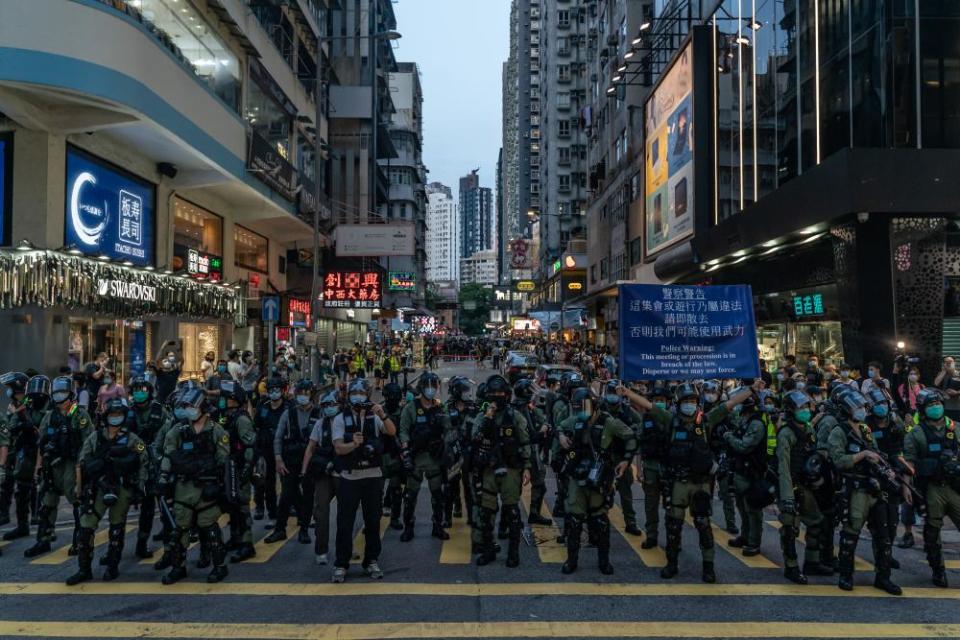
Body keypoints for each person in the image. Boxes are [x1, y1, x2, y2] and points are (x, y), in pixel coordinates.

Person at [619, 382, 754, 583]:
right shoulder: (670, 420)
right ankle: (671, 564)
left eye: (692, 401)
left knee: (703, 525)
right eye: (686, 401)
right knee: (673, 526)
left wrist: (752, 390)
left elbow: (730, 404)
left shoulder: (705, 421)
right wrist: (627, 392)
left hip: (700, 484)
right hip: (678, 483)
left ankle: (708, 567)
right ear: (679, 403)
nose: (689, 405)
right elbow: (648, 406)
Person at [826, 389, 902, 595]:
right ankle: (846, 575)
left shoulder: (866, 430)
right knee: (852, 531)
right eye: (857, 407)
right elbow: (839, 461)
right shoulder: (838, 432)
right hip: (855, 487)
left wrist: (886, 468)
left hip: (874, 487)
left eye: (862, 407)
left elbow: (876, 453)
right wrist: (863, 454)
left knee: (883, 534)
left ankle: (883, 577)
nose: (861, 410)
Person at [557, 386, 636, 575]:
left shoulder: (608, 422)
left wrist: (626, 461)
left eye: (584, 406)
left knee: (600, 520)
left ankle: (604, 561)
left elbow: (631, 437)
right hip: (578, 476)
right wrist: (560, 436)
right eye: (577, 407)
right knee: (575, 520)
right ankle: (572, 560)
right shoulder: (576, 420)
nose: (580, 411)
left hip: (599, 478)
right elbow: (559, 426)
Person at [68, 397, 148, 584]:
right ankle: (84, 569)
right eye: (112, 414)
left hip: (121, 487)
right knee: (85, 528)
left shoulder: (131, 439)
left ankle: (112, 566)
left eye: (119, 414)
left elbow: (143, 462)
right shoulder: (95, 437)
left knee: (116, 529)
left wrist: (140, 487)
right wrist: (79, 489)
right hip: (98, 488)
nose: (115, 418)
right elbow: (81, 463)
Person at [158, 388, 230, 584]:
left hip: (207, 488)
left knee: (210, 528)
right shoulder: (178, 430)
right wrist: (163, 480)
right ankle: (178, 567)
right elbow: (168, 455)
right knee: (179, 529)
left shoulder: (216, 430)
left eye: (192, 406)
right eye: (186, 406)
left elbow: (224, 460)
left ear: (203, 408)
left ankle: (219, 566)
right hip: (184, 487)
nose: (188, 410)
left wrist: (221, 485)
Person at [330, 378, 396, 582]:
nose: (358, 397)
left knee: (373, 522)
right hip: (350, 478)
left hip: (373, 477)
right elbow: (338, 448)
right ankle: (341, 564)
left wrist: (382, 414)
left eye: (361, 393)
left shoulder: (374, 417)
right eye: (354, 393)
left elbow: (391, 431)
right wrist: (353, 444)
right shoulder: (341, 418)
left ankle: (372, 560)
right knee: (345, 522)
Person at [22, 376, 93, 559]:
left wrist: (83, 467)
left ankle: (80, 539)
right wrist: (39, 467)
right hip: (52, 464)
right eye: (57, 393)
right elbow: (42, 443)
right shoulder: (50, 416)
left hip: (72, 463)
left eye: (63, 392)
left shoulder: (80, 415)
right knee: (47, 502)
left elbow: (89, 442)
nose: (60, 396)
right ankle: (43, 539)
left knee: (76, 500)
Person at [471, 375, 531, 567]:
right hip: (488, 470)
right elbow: (475, 438)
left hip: (510, 470)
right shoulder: (482, 416)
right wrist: (488, 417)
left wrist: (527, 467)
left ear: (506, 394)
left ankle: (513, 553)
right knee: (486, 512)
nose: (497, 396)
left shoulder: (515, 416)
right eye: (493, 393)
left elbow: (525, 441)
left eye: (500, 393)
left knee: (512, 512)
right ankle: (488, 550)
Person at [904, 388, 960, 588]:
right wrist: (907, 488)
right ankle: (938, 569)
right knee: (932, 530)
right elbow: (908, 462)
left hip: (955, 487)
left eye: (938, 403)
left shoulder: (956, 428)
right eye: (931, 405)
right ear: (922, 409)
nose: (936, 407)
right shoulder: (917, 433)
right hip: (931, 488)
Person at [775, 390, 831, 584]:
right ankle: (791, 567)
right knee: (790, 528)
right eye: (801, 407)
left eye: (807, 407)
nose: (806, 410)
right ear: (791, 410)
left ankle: (812, 562)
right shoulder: (786, 433)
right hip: (789, 484)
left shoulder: (808, 429)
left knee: (816, 522)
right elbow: (783, 466)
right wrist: (787, 497)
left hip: (806, 485)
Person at [398, 372, 454, 542]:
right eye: (428, 386)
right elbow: (404, 430)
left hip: (434, 459)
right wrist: (406, 453)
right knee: (410, 495)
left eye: (434, 386)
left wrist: (447, 449)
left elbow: (448, 430)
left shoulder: (440, 407)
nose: (431, 389)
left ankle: (437, 526)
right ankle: (408, 527)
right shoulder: (411, 408)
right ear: (421, 388)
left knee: (438, 496)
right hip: (416, 458)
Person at [724, 388, 775, 559]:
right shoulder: (744, 419)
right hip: (740, 470)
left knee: (753, 509)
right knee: (741, 506)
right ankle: (745, 536)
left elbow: (744, 446)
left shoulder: (756, 423)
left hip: (752, 472)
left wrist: (729, 437)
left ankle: (754, 543)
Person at [267, 379, 320, 544]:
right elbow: (278, 438)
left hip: (311, 462)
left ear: (312, 395)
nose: (302, 396)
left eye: (306, 393)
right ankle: (279, 529)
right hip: (290, 460)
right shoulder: (288, 413)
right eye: (299, 393)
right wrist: (278, 458)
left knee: (309, 496)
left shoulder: (319, 414)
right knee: (286, 495)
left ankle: (303, 529)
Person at [127, 376, 172, 559]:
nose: (139, 393)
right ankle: (141, 543)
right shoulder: (127, 412)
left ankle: (170, 546)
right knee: (144, 506)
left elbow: (169, 434)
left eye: (143, 390)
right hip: (136, 465)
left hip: (157, 462)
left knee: (165, 504)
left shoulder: (159, 411)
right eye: (136, 390)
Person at [301, 390, 342, 565]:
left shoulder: (347, 421)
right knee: (321, 511)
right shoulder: (320, 424)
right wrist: (304, 472)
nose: (329, 408)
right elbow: (310, 448)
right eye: (326, 405)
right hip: (324, 473)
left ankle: (345, 548)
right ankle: (321, 549)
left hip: (343, 474)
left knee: (345, 514)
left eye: (332, 404)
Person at [218, 380, 257, 563]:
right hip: (229, 468)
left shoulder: (241, 419)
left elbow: (250, 446)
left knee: (242, 507)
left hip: (239, 468)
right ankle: (235, 538)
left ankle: (247, 544)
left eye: (227, 398)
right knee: (231, 507)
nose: (223, 400)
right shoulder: (227, 416)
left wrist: (247, 470)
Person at [600, 379, 642, 536]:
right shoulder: (599, 409)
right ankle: (599, 520)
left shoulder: (628, 412)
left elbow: (639, 430)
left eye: (615, 394)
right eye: (611, 393)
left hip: (622, 457)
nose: (613, 397)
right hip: (602, 456)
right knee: (600, 489)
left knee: (626, 491)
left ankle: (630, 522)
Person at [0, 372, 39, 538]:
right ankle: (14, 520)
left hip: (30, 453)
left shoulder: (31, 405)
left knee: (26, 487)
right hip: (16, 451)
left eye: (11, 388)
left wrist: (19, 414)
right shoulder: (15, 405)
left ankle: (38, 524)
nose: (9, 392)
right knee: (10, 485)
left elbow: (35, 429)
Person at [513, 378, 552, 527]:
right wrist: (542, 431)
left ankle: (512, 520)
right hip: (528, 452)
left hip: (521, 453)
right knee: (536, 485)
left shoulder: (520, 407)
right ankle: (528, 515)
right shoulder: (523, 410)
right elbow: (530, 436)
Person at [637, 383, 670, 548]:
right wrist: (639, 469)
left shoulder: (672, 419)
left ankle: (673, 537)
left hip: (668, 467)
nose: (659, 403)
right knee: (651, 504)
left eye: (662, 400)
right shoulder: (646, 419)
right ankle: (651, 535)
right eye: (656, 400)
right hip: (650, 467)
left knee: (671, 505)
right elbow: (640, 444)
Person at [253, 378, 287, 523]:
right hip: (265, 449)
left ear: (282, 391)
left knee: (288, 483)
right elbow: (257, 425)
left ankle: (290, 509)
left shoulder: (288, 408)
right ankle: (270, 513)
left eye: (276, 390)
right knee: (266, 483)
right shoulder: (263, 407)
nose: (274, 393)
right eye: (271, 390)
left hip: (283, 450)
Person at [380, 383, 407, 531]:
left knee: (396, 490)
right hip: (380, 455)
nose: (393, 399)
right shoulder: (379, 411)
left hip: (395, 455)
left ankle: (395, 518)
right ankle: (373, 520)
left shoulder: (402, 412)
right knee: (376, 491)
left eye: (395, 397)